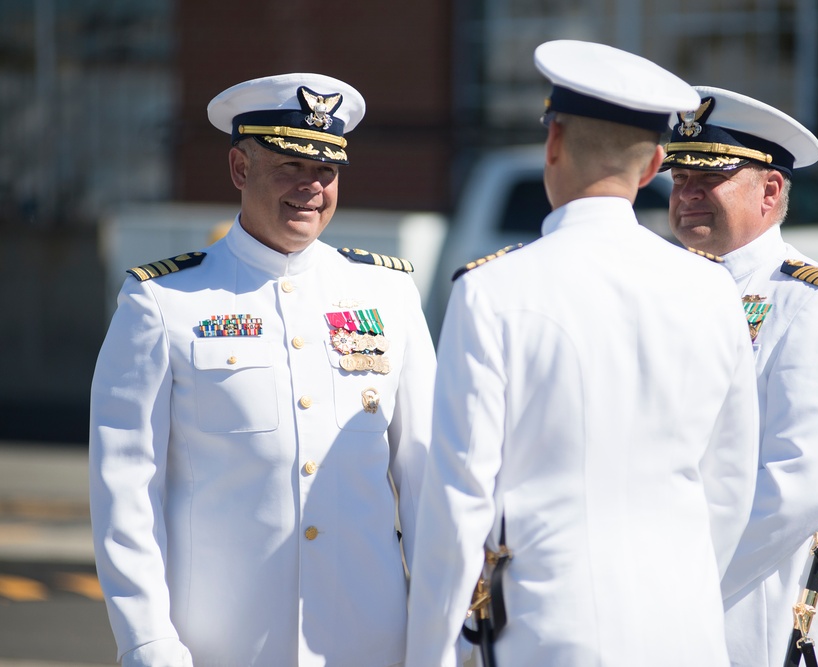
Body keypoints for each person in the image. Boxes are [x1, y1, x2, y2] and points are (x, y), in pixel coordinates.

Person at [404, 40, 760, 667]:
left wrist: (429, 654)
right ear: (654, 166)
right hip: (685, 630)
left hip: (547, 631)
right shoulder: (713, 288)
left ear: (553, 144)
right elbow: (729, 486)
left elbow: (459, 500)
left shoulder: (492, 290)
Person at [89, 73, 437, 666]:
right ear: (239, 169)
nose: (312, 188)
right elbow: (125, 491)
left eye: (326, 171)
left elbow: (426, 478)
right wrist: (147, 643)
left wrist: (444, 631)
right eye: (290, 167)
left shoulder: (388, 293)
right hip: (219, 649)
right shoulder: (164, 301)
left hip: (370, 644)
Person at [662, 86, 818, 667]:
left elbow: (802, 481)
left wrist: (678, 585)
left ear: (770, 189)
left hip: (753, 616)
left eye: (708, 179)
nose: (687, 195)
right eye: (679, 178)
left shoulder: (813, 304)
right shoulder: (659, 291)